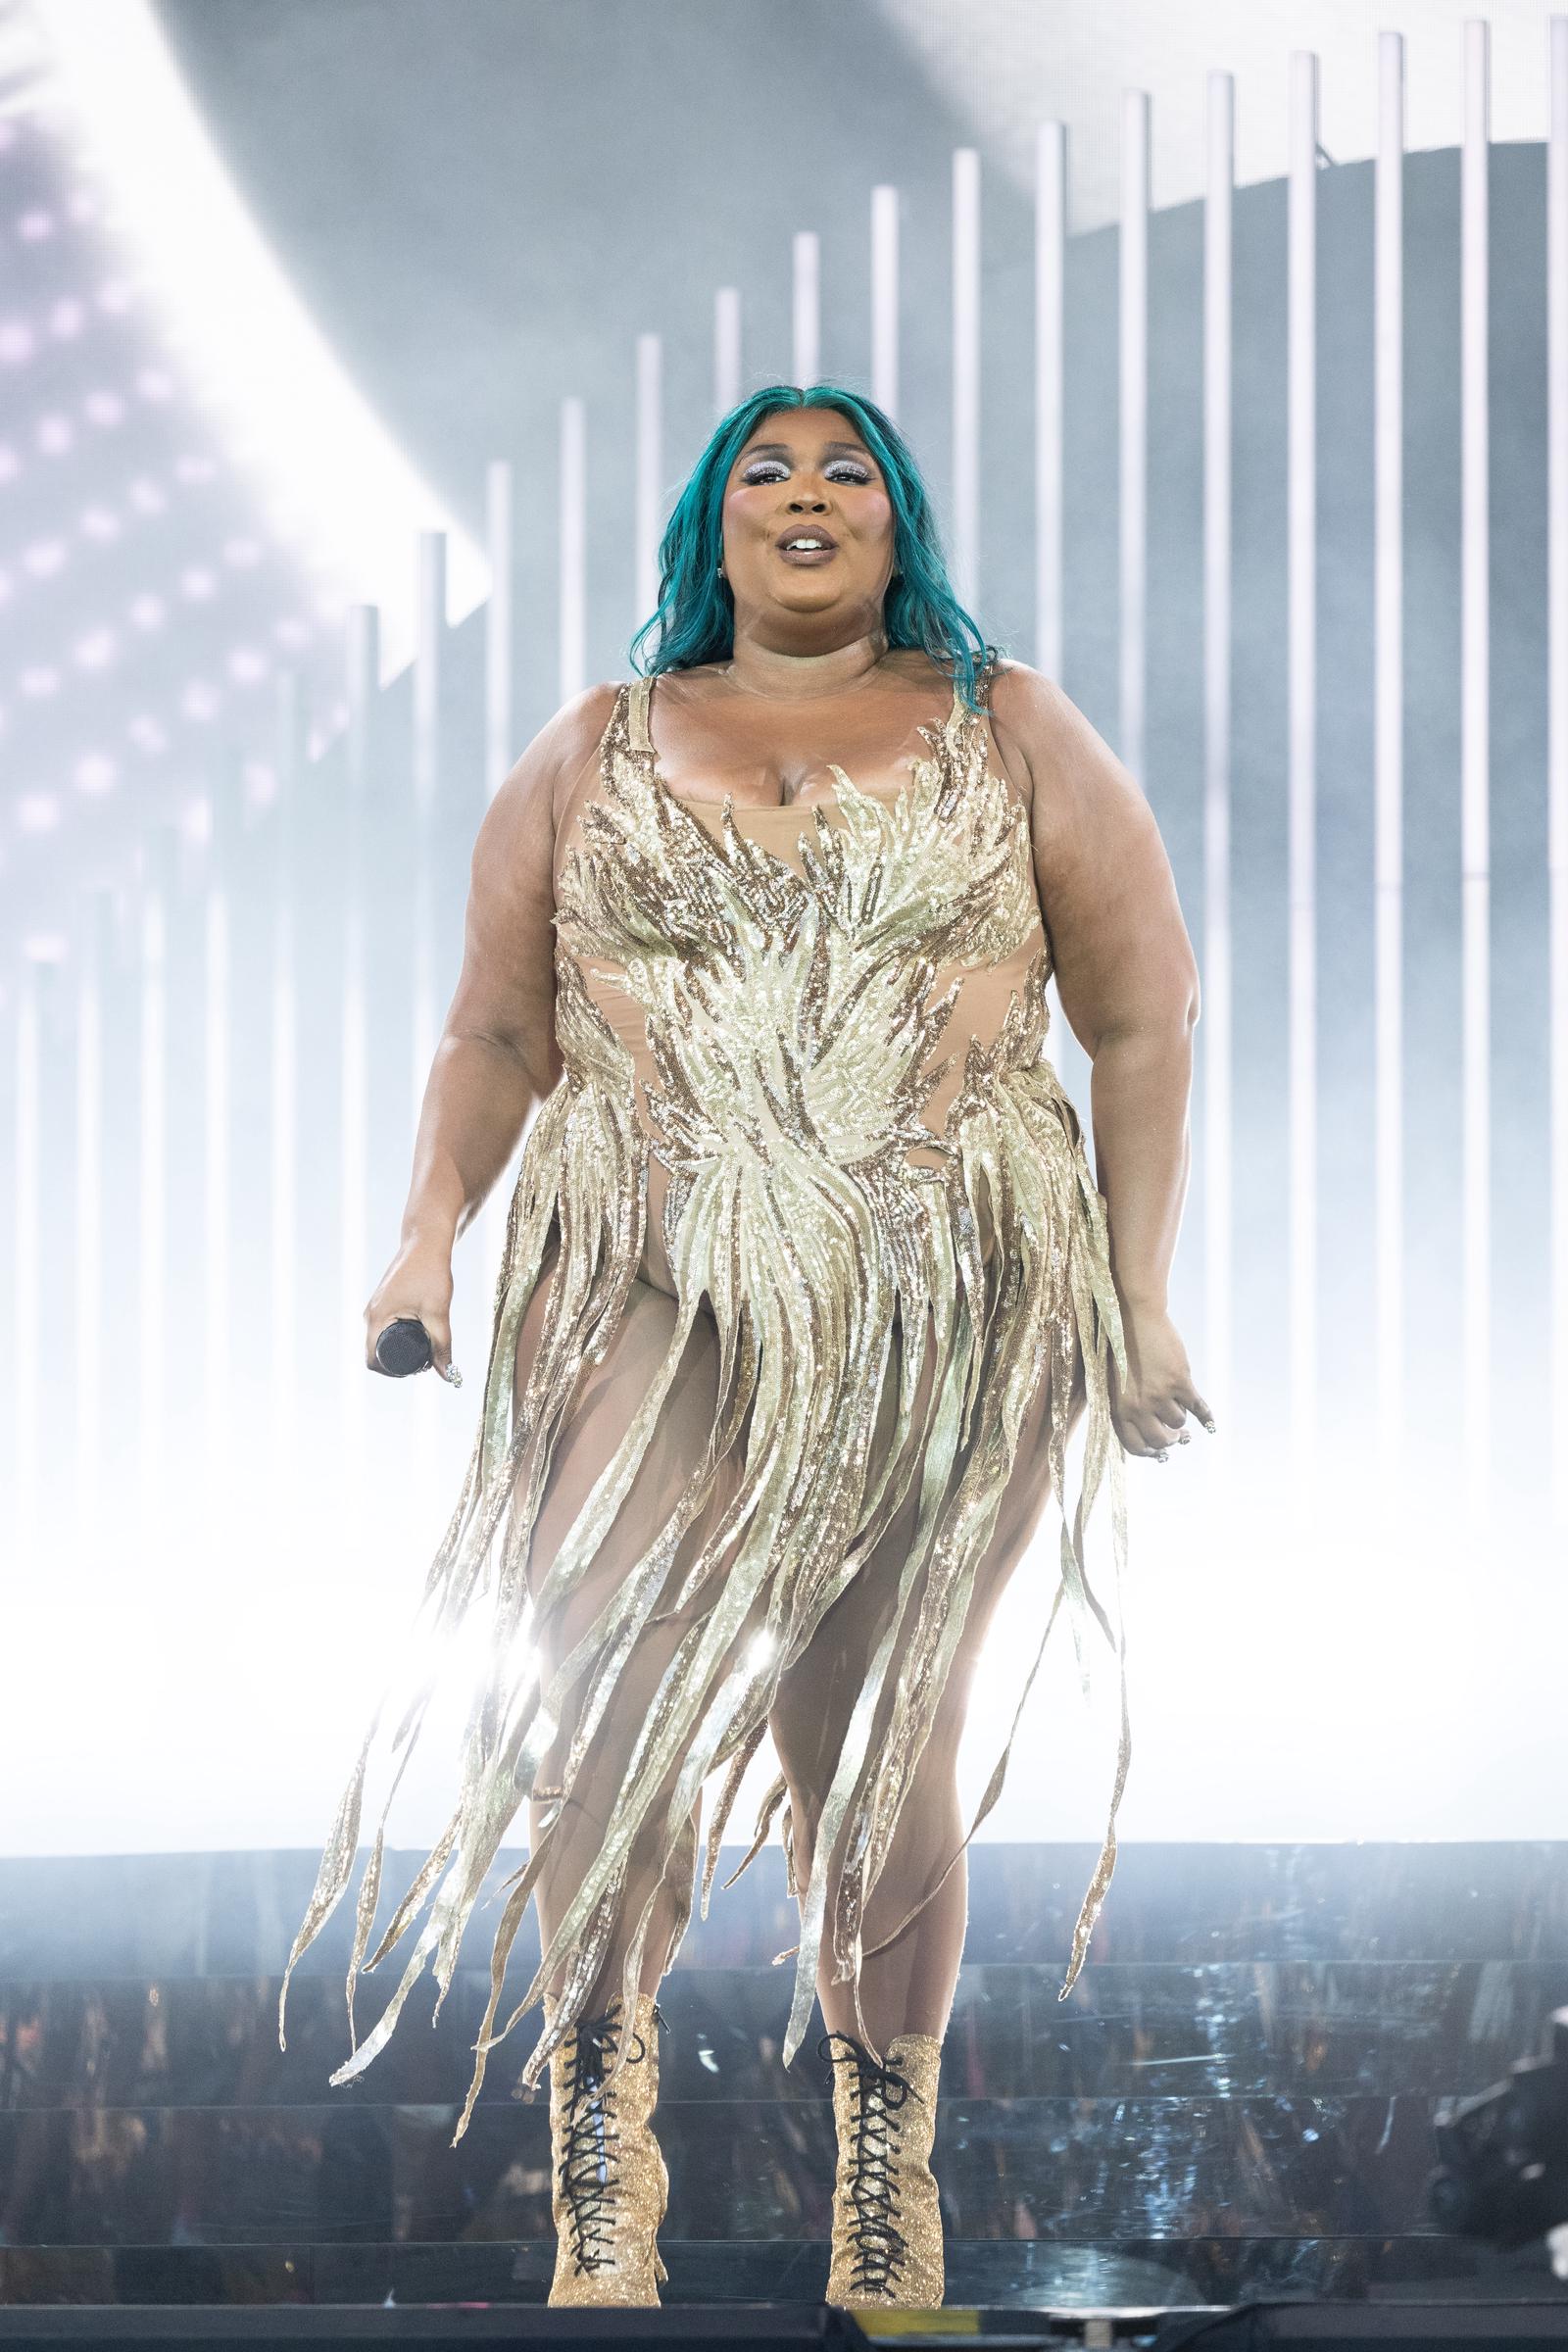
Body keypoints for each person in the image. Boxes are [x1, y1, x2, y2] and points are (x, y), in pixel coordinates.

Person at [278, 382, 1210, 2312]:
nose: (803, 496)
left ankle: (886, 2175)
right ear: (710, 529)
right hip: (640, 1257)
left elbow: (1140, 1015)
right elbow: (495, 1034)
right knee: (597, 1690)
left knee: (876, 1732)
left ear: (895, 526)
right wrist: (421, 1246)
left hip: (940, 1271)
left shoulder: (1008, 727)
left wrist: (1138, 1297)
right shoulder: (591, 748)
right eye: (763, 475)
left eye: (841, 474)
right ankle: (597, 2181)